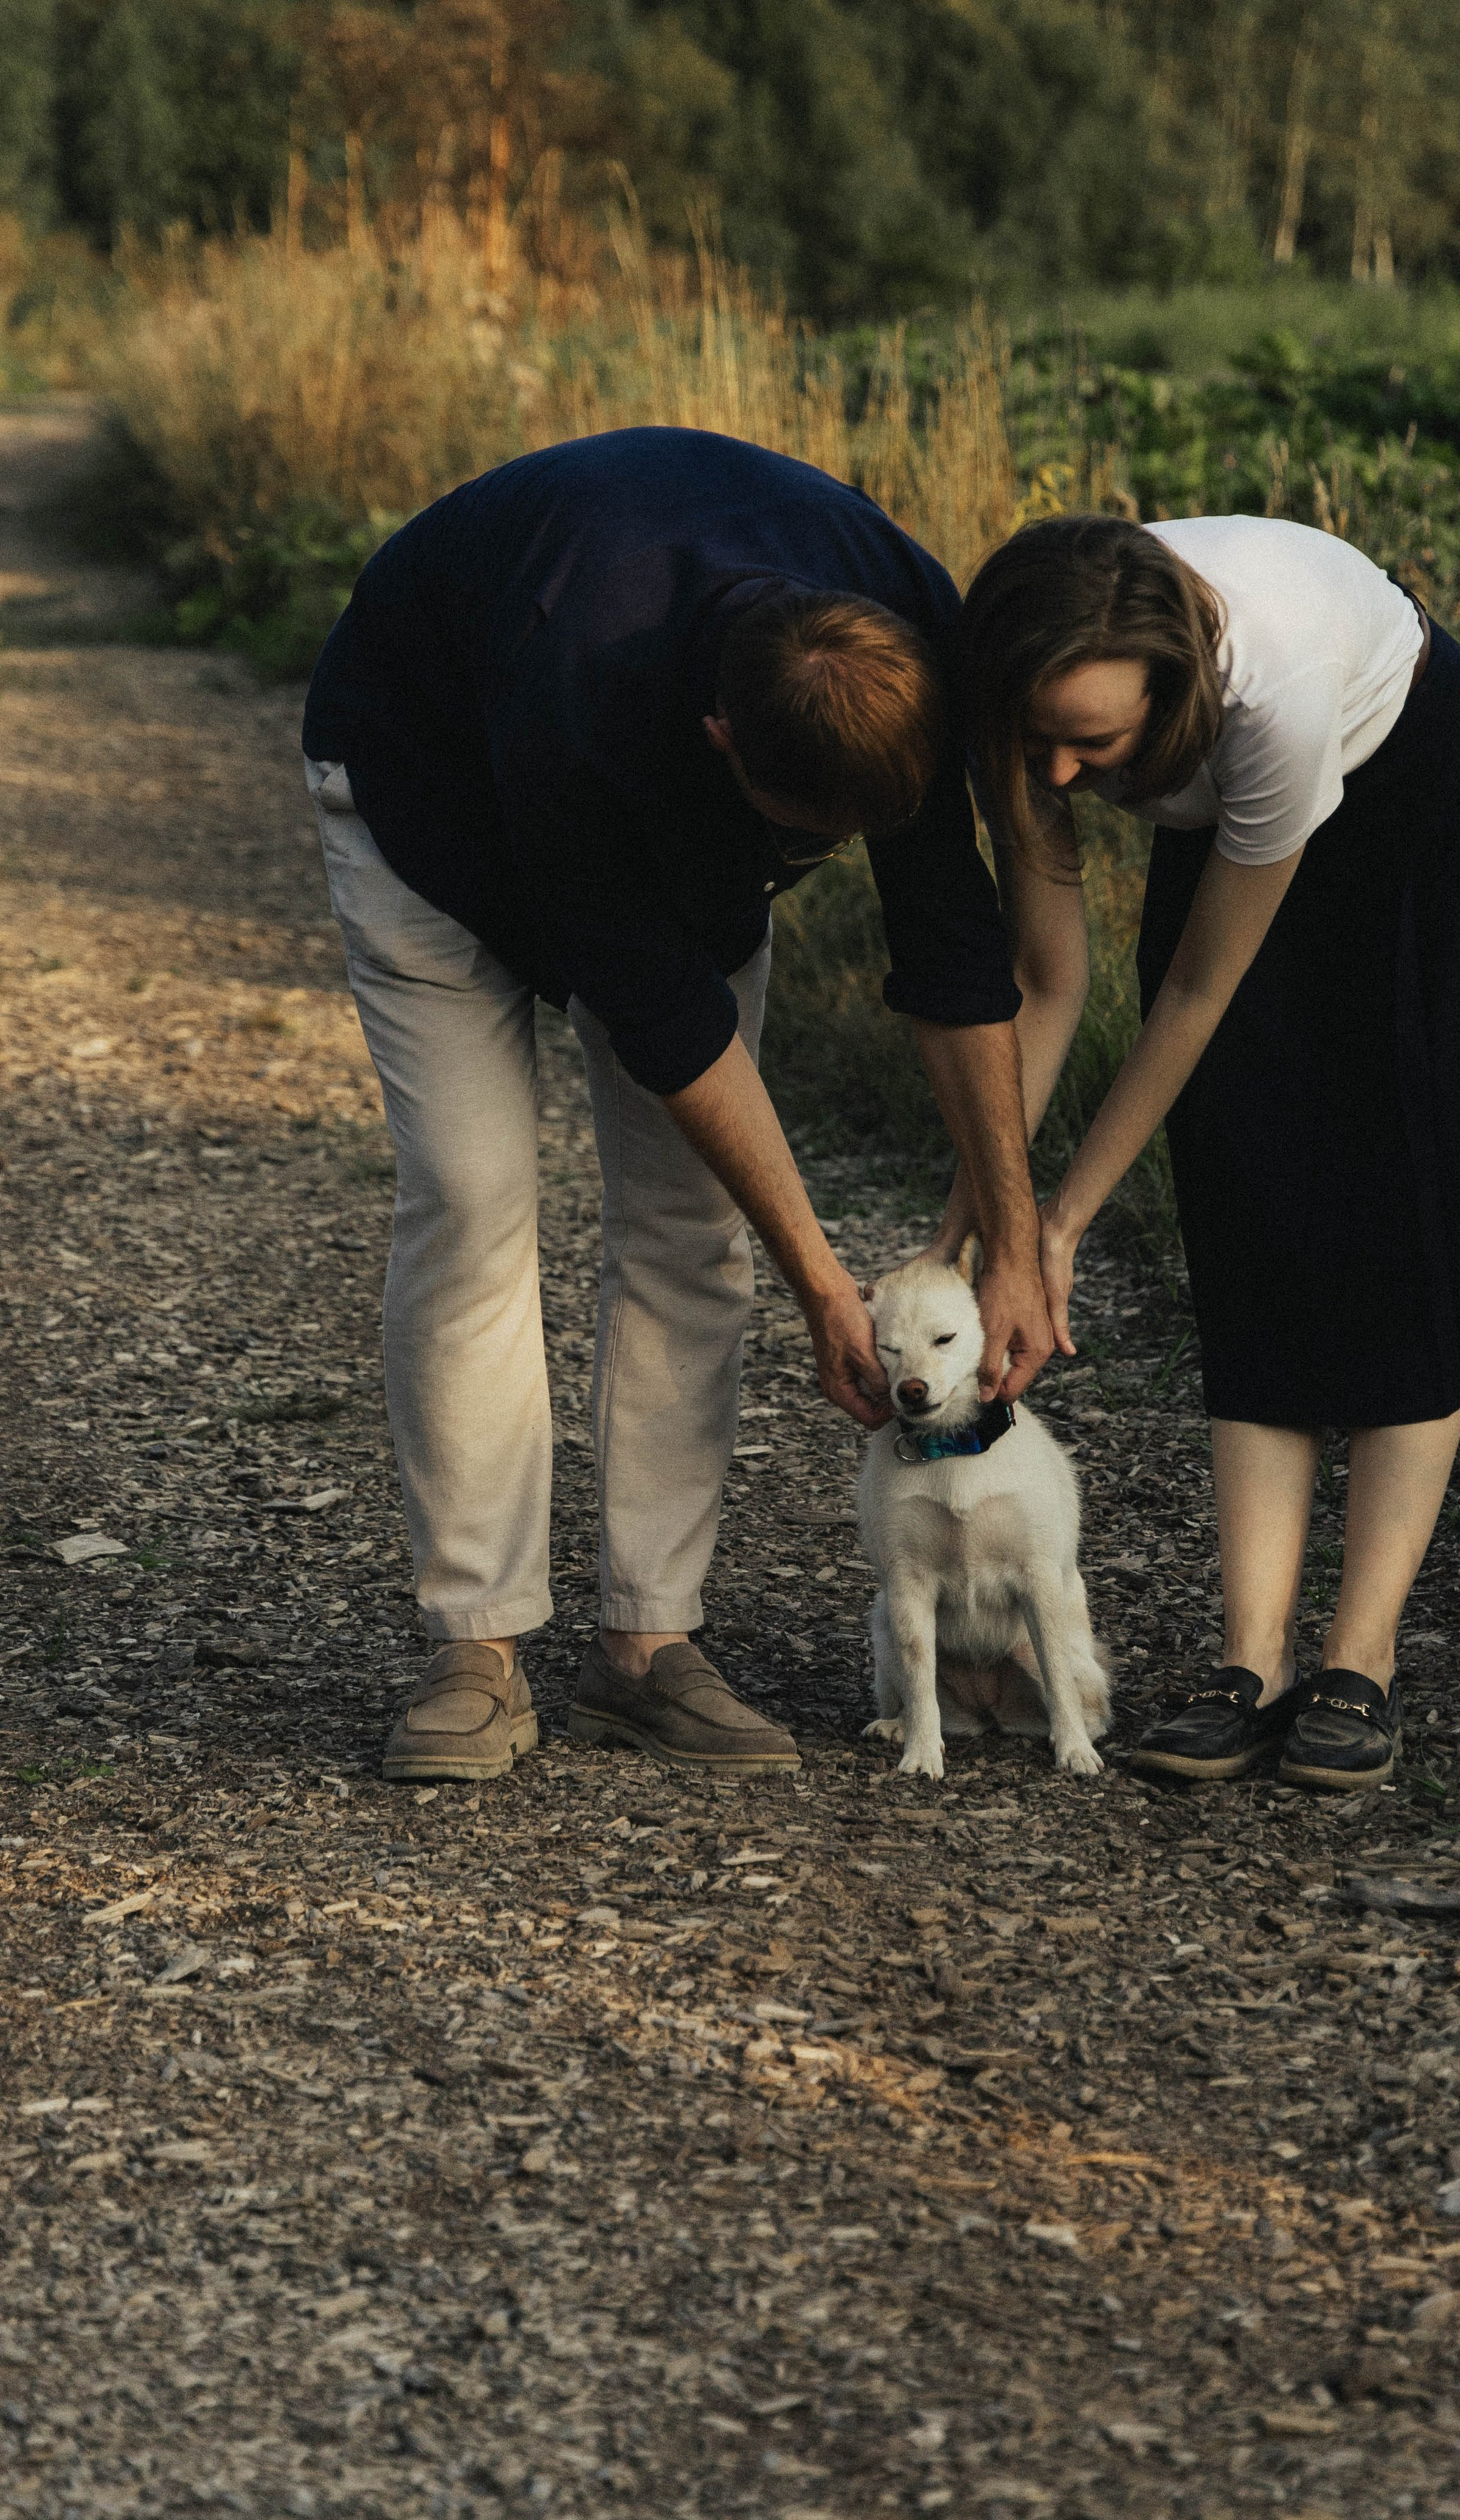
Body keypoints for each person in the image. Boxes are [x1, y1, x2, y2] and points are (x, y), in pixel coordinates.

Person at [302, 427, 1052, 1784]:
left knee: (690, 1226)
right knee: (475, 1197)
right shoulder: (579, 687)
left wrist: (1016, 1234)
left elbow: (952, 950)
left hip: (651, 797)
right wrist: (824, 1278)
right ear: (718, 737)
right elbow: (660, 1013)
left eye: (831, 849)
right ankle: (477, 1645)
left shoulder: (910, 655)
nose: (805, 867)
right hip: (422, 793)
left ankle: (646, 1648)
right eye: (790, 836)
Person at [957, 513, 1460, 1791]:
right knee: (1246, 1185)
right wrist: (982, 1224)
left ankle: (1357, 1662)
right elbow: (1043, 988)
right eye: (1037, 743)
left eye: (1093, 748)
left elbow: (1197, 995)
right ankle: (1248, 1662)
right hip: (1240, 809)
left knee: (1405, 1212)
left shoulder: (1278, 694)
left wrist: (1065, 1224)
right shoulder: (1023, 692)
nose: (1052, 776)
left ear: (1178, 688)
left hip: (1414, 802)